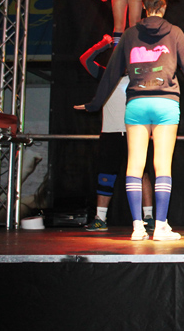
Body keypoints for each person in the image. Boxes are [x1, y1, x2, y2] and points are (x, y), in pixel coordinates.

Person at [76, 0, 184, 241]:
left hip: (137, 103)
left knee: (135, 165)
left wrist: (94, 104)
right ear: (164, 7)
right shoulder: (175, 32)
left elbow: (111, 72)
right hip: (165, 103)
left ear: (144, 7)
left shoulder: (129, 35)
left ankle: (137, 227)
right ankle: (160, 226)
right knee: (162, 165)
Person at [79, 34, 156, 233]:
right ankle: (100, 218)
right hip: (111, 132)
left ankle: (148, 217)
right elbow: (85, 60)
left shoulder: (139, 76)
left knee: (143, 174)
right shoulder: (105, 75)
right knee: (106, 174)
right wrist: (102, 44)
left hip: (136, 132)